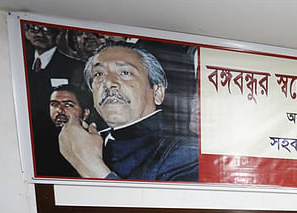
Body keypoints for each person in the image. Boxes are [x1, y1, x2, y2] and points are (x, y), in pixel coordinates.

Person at [58, 42, 199, 182]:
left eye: (125, 73)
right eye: (99, 74)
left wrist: (91, 167)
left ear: (157, 92)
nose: (108, 83)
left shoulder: (186, 152)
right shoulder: (79, 141)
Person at [36, 84, 93, 177]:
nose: (59, 110)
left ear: (85, 113)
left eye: (68, 105)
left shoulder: (96, 144)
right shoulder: (39, 144)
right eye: (54, 104)